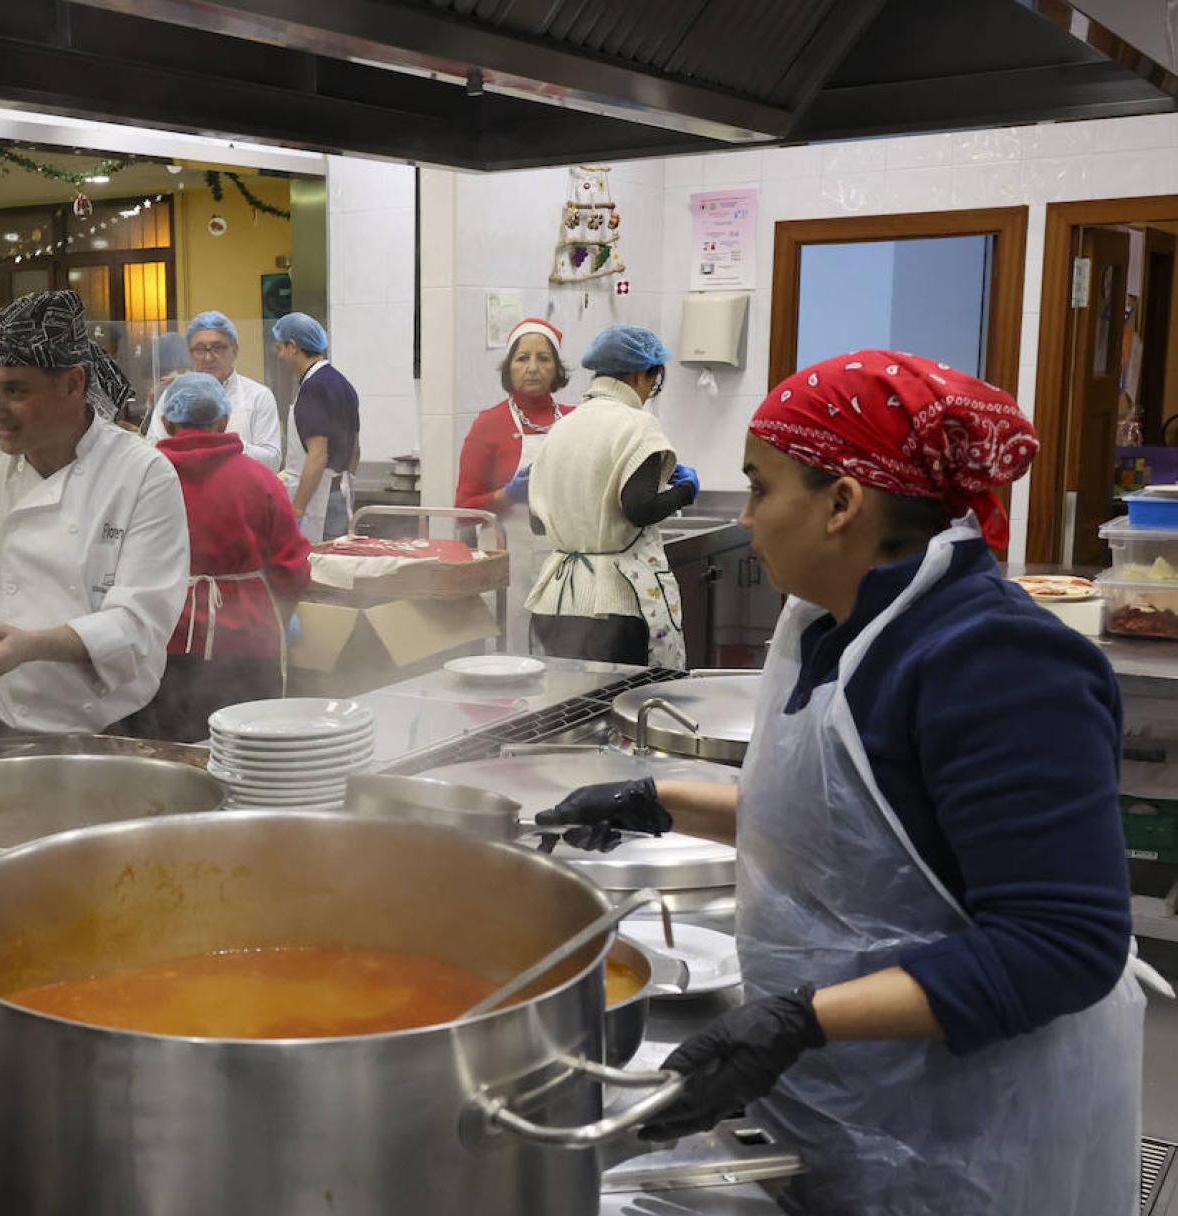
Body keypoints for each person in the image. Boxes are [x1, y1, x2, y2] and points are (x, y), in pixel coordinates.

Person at [538, 352, 1142, 1216]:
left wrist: (803, 1019)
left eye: (759, 489)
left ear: (843, 504)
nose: (746, 520)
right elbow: (851, 836)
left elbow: (1062, 946)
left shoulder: (996, 663)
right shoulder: (838, 621)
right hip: (861, 1094)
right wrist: (655, 800)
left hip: (971, 1117)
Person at [0, 289, 190, 750]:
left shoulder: (142, 473)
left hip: (110, 731)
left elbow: (140, 622)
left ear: (72, 383)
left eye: (16, 390)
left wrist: (32, 645)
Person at [125, 373, 312, 742]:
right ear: (224, 421)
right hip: (248, 642)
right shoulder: (260, 479)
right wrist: (274, 621)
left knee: (166, 755)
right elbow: (292, 568)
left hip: (160, 641)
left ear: (164, 421)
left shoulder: (140, 479)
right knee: (251, 754)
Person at [523, 323, 697, 666]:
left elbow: (537, 522)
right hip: (615, 604)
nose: (650, 391)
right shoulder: (636, 425)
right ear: (637, 375)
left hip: (555, 601)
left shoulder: (561, 428)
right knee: (621, 708)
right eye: (653, 381)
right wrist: (685, 491)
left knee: (567, 708)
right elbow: (640, 508)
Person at [455, 317, 577, 646]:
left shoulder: (577, 420)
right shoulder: (489, 424)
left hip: (565, 559)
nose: (533, 368)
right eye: (522, 358)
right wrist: (508, 495)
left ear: (557, 368)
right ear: (509, 368)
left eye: (543, 358)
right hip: (508, 561)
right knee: (511, 649)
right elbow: (463, 511)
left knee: (564, 651)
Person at [144, 311, 281, 470]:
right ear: (189, 353)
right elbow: (152, 451)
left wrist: (223, 445)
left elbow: (272, 461)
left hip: (238, 489)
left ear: (235, 350)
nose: (208, 358)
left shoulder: (258, 396)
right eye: (200, 349)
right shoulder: (172, 395)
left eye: (218, 348)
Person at [272, 311, 360, 541]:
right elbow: (355, 450)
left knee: (316, 570)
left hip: (317, 503)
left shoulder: (313, 389)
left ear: (292, 346)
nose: (279, 356)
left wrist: (298, 508)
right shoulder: (342, 383)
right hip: (338, 496)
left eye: (279, 348)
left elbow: (317, 456)